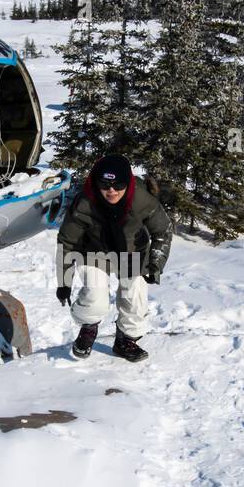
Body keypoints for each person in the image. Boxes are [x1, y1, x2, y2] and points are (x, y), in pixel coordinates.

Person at [55, 153, 172, 362]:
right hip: (94, 252)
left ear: (128, 183)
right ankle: (89, 326)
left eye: (118, 185)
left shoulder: (142, 199)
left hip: (132, 251)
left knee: (134, 296)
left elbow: (163, 231)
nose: (111, 191)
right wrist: (64, 282)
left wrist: (155, 263)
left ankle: (125, 340)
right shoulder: (85, 202)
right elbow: (67, 242)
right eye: (105, 184)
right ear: (96, 182)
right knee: (95, 297)